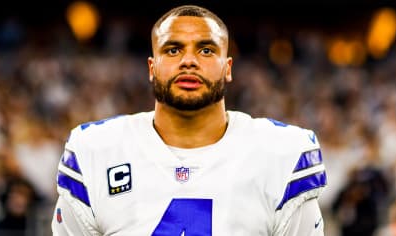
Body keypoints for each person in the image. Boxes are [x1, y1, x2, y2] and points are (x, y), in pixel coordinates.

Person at [51, 4, 327, 235]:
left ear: (227, 67)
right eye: (173, 50)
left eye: (206, 50)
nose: (189, 61)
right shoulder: (96, 150)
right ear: (152, 67)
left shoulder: (280, 153)